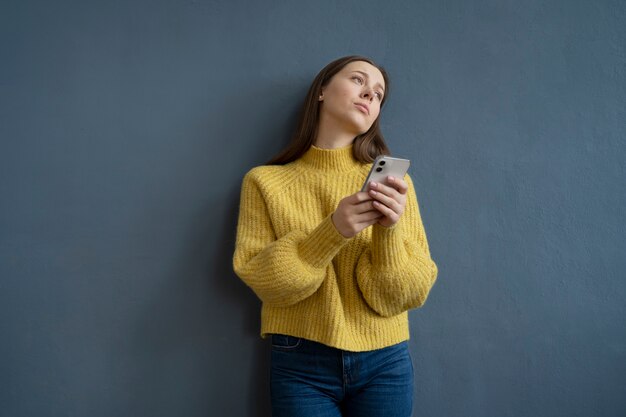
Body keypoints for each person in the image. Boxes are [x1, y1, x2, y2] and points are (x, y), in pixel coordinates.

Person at [232, 55, 438, 417]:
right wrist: (333, 231)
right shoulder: (264, 182)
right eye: (359, 81)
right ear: (322, 91)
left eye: (378, 95)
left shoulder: (396, 186)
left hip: (386, 361)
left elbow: (406, 294)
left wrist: (387, 233)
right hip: (302, 362)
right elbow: (268, 284)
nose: (370, 95)